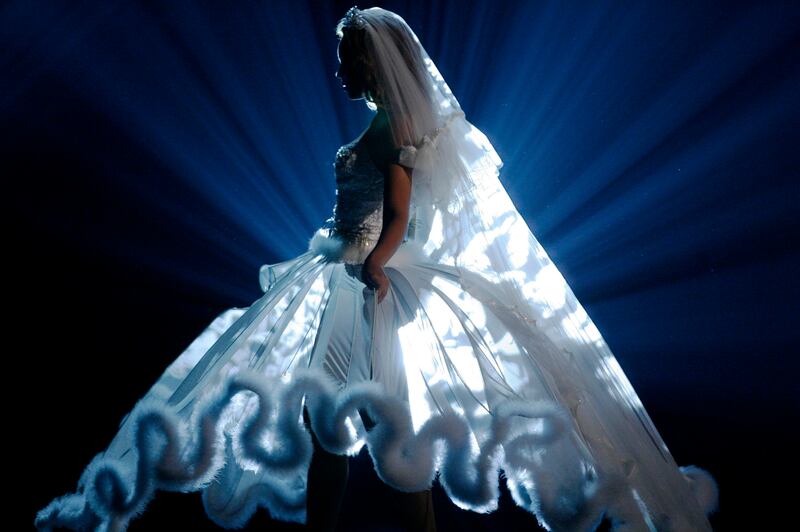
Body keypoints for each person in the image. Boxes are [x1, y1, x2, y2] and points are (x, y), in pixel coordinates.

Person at [35, 6, 719, 532]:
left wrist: (378, 268)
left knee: (389, 422)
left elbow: (400, 211)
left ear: (370, 62)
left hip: (368, 282)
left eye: (346, 59)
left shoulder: (395, 129)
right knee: (334, 417)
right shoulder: (380, 126)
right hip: (341, 273)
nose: (340, 70)